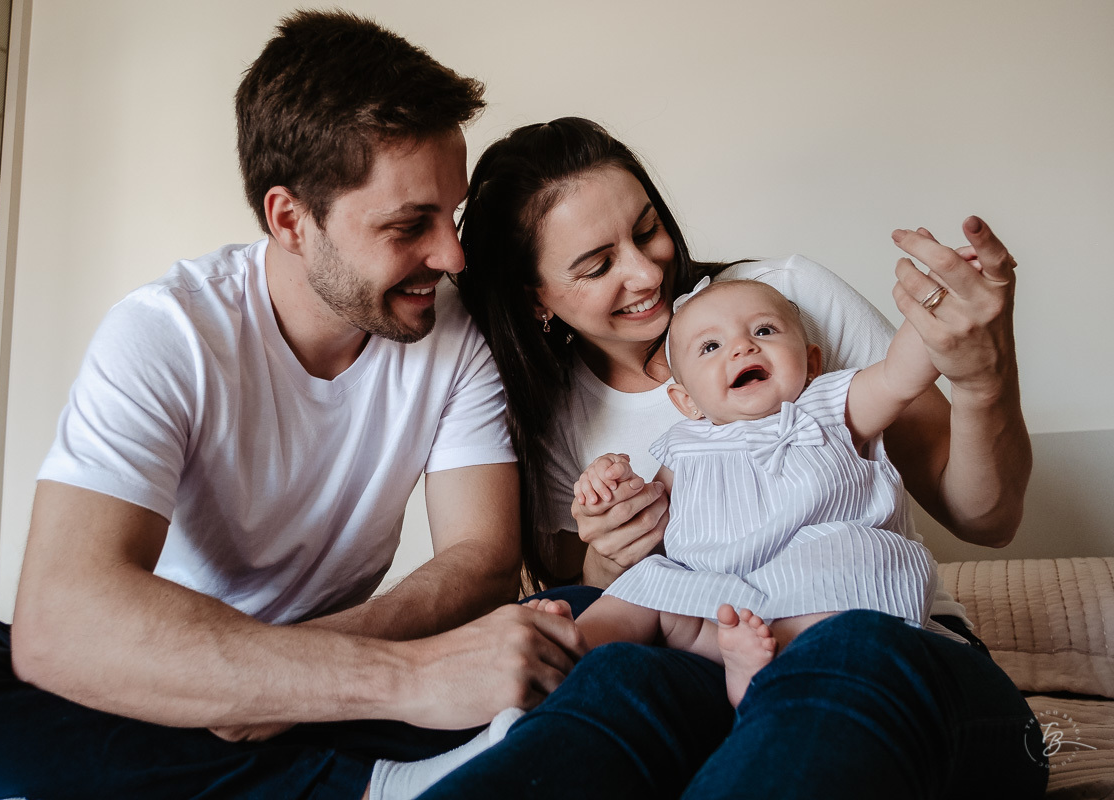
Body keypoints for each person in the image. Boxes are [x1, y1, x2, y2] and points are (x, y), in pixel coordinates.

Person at [0, 13, 599, 799]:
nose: (451, 256)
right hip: (160, 687)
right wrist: (398, 678)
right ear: (289, 220)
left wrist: (301, 673)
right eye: (411, 225)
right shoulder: (168, 330)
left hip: (319, 691)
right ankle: (361, 787)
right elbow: (63, 622)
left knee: (582, 618)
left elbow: (480, 560)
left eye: (452, 214)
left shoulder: (452, 329)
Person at [415, 117, 1048, 797]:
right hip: (710, 656)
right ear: (534, 295)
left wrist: (982, 376)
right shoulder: (549, 409)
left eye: (647, 228)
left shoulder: (781, 301)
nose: (645, 269)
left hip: (879, 645)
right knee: (614, 676)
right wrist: (612, 554)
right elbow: (605, 595)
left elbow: (987, 516)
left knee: (840, 651)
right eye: (597, 265)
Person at [560, 275, 941, 707]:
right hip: (721, 610)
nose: (743, 347)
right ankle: (571, 646)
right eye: (710, 346)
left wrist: (935, 313)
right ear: (687, 403)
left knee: (860, 554)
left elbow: (899, 375)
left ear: (811, 364)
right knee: (646, 585)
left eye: (763, 330)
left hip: (824, 597)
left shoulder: (827, 405)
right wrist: (611, 488)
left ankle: (763, 666)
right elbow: (650, 519)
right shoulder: (685, 445)